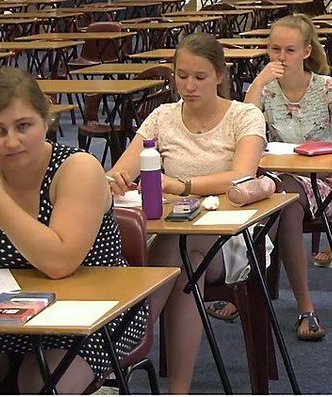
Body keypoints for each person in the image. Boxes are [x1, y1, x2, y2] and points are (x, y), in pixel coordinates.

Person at [105, 33, 320, 395]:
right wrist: (115, 181)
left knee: (181, 251)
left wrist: (182, 186)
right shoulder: (161, 117)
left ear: (220, 76)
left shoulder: (244, 115)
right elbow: (122, 170)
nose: (189, 86)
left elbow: (241, 175)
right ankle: (176, 388)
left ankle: (116, 355)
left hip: (233, 240)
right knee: (183, 257)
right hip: (173, 238)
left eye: (200, 77)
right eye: (182, 76)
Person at [0, 67, 148, 394]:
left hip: (96, 312)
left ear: (46, 121)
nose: (11, 141)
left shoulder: (78, 168)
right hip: (0, 311)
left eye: (23, 126)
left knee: (41, 381)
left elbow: (58, 263)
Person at [245, 13, 332, 268]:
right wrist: (257, 82)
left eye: (290, 50)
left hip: (325, 181)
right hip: (279, 180)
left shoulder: (328, 88)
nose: (281, 57)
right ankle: (283, 295)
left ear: (306, 52)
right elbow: (246, 129)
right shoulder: (265, 89)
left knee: (278, 194)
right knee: (283, 203)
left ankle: (251, 277)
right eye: (275, 49)